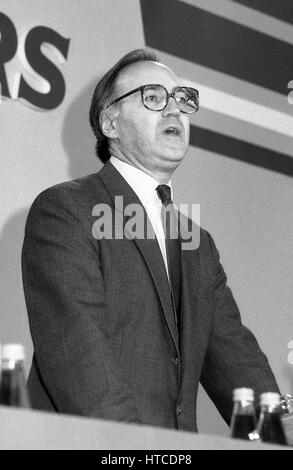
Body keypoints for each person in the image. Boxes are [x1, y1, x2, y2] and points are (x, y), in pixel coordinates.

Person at [22, 48, 281, 432]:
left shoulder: (197, 242)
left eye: (182, 99)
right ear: (110, 121)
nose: (175, 109)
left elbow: (238, 361)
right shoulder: (66, 210)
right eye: (154, 97)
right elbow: (80, 359)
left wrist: (282, 427)